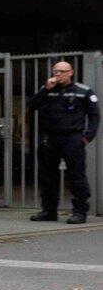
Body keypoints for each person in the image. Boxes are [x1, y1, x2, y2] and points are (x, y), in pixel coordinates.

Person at [28, 60, 98, 224]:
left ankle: (80, 211)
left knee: (76, 175)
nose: (58, 74)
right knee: (48, 176)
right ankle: (49, 211)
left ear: (70, 72)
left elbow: (94, 116)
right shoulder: (47, 90)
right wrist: (46, 89)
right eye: (55, 71)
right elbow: (31, 105)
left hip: (73, 138)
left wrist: (87, 136)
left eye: (62, 71)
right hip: (50, 138)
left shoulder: (83, 91)